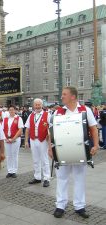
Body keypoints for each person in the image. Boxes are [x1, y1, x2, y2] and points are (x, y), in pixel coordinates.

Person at [49, 86, 99, 219]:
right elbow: (51, 133)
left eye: (64, 94)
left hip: (80, 151)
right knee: (62, 179)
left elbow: (93, 129)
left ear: (73, 96)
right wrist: (50, 148)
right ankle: (60, 206)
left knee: (79, 179)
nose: (61, 96)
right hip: (61, 151)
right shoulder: (57, 112)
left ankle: (79, 206)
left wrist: (96, 145)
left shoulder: (85, 110)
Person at [24, 98, 51, 187]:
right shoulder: (31, 115)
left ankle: (46, 178)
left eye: (39, 104)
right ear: (34, 106)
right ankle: (37, 177)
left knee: (44, 159)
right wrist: (26, 141)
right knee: (35, 159)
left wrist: (49, 138)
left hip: (43, 140)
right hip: (33, 139)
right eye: (36, 105)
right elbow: (27, 129)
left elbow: (51, 128)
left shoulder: (47, 115)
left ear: (42, 105)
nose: (37, 106)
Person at [2, 105, 23, 178]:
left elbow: (20, 129)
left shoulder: (18, 118)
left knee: (14, 155)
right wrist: (5, 138)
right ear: (8, 111)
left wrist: (14, 138)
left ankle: (14, 171)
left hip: (16, 139)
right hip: (7, 139)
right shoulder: (5, 119)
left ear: (15, 110)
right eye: (10, 110)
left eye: (13, 110)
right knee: (8, 155)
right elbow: (2, 130)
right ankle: (9, 171)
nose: (11, 111)